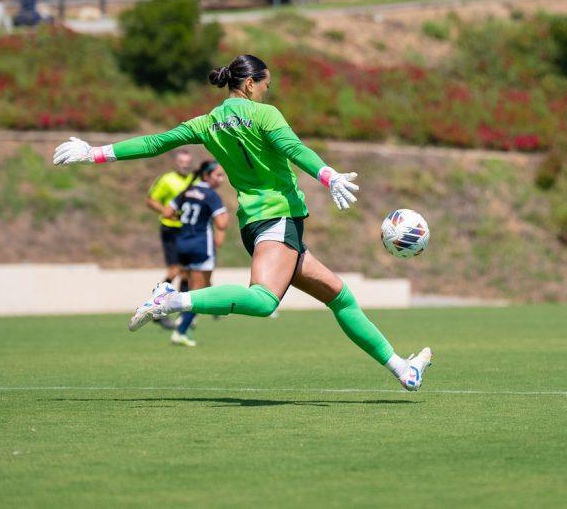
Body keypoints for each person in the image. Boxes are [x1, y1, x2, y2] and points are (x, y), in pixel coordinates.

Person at [53, 54, 433, 391]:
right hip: (277, 219)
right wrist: (327, 174)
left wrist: (94, 153)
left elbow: (156, 143)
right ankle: (173, 299)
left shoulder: (206, 123)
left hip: (261, 225)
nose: (267, 93)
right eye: (266, 85)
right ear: (250, 84)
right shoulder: (265, 114)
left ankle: (403, 371)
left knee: (340, 297)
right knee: (264, 301)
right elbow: (294, 148)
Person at [162, 160, 230, 347]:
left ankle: (186, 317)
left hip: (182, 244)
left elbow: (167, 212)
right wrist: (226, 216)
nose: (221, 179)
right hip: (201, 246)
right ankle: (181, 330)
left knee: (189, 284)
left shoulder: (187, 191)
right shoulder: (211, 195)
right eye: (218, 175)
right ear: (206, 176)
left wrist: (186, 221)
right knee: (200, 291)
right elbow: (221, 224)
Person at [146, 148, 196, 320]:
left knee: (186, 273)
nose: (185, 165)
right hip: (170, 228)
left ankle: (182, 314)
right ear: (176, 163)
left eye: (188, 163)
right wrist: (165, 210)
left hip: (188, 230)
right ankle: (155, 306)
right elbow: (150, 200)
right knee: (175, 269)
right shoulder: (167, 179)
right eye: (182, 162)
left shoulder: (193, 180)